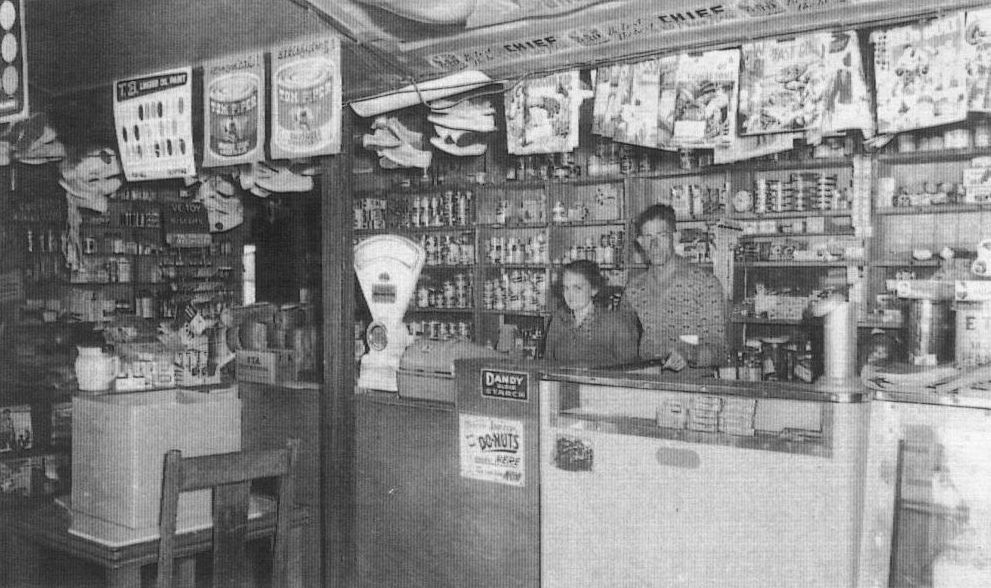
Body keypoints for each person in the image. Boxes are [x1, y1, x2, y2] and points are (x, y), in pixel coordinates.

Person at [620, 204, 728, 370]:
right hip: (647, 379)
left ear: (675, 238)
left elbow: (721, 351)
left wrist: (689, 353)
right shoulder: (633, 290)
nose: (654, 245)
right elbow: (624, 343)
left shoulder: (705, 284)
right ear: (640, 242)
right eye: (648, 237)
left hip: (693, 381)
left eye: (661, 236)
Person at [543, 260, 638, 364]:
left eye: (577, 288)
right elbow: (548, 363)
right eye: (566, 288)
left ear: (594, 289)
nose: (570, 295)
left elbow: (629, 368)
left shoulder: (615, 324)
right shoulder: (558, 320)